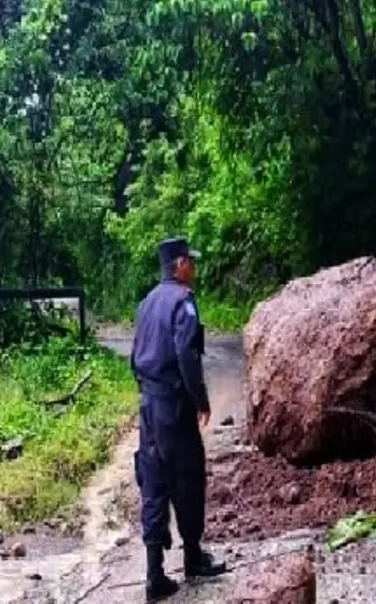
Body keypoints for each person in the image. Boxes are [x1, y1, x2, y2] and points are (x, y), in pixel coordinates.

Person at [130, 237, 227, 601]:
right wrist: (199, 399)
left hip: (148, 406)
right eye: (192, 263)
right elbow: (187, 354)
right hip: (173, 406)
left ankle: (154, 574)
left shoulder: (146, 303)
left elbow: (135, 356)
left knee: (152, 483)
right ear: (181, 264)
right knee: (186, 477)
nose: (195, 270)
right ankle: (192, 557)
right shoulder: (183, 302)